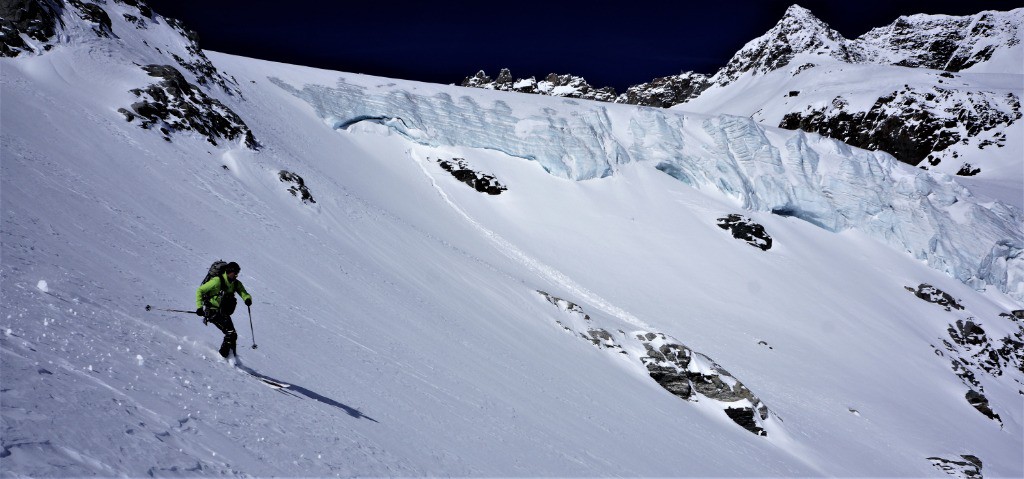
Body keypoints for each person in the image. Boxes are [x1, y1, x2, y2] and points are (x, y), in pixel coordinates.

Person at [195, 262, 252, 358]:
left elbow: (243, 293)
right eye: (235, 273)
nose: (236, 275)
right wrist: (199, 307)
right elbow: (200, 290)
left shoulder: (236, 283)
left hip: (223, 312)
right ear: (229, 271)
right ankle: (223, 358)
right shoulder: (217, 281)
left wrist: (247, 299)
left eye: (237, 273)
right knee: (230, 333)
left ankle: (233, 358)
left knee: (233, 335)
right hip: (213, 311)